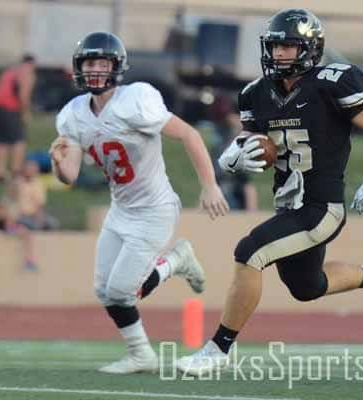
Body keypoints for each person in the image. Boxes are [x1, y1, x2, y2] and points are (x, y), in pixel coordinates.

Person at [176, 8, 363, 375]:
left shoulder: (333, 83)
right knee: (307, 287)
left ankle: (218, 349)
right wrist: (230, 159)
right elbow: (251, 144)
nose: (279, 54)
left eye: (288, 46)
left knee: (249, 252)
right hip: (289, 206)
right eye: (275, 46)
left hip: (322, 207)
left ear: (310, 48)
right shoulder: (256, 94)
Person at [48, 32, 229, 374]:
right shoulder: (73, 115)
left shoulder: (137, 101)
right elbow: (69, 176)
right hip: (121, 210)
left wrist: (210, 186)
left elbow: (190, 134)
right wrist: (58, 163)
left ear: (117, 67)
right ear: (79, 68)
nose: (96, 70)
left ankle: (176, 261)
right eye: (90, 63)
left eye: (103, 63)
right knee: (105, 290)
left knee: (121, 289)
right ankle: (141, 354)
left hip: (154, 209)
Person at [0, 54, 37, 181]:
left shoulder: (10, 71)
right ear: (33, 64)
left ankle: (0, 172)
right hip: (9, 109)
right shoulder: (28, 73)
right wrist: (25, 113)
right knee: (19, 140)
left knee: (2, 141)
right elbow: (23, 96)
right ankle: (16, 172)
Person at [0, 178, 39, 272]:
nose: (17, 190)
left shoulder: (17, 202)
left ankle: (29, 261)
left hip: (14, 224)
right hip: (6, 225)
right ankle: (29, 261)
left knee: (27, 233)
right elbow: (0, 215)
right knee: (26, 234)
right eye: (15, 188)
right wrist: (9, 220)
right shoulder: (6, 200)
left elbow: (19, 215)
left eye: (18, 189)